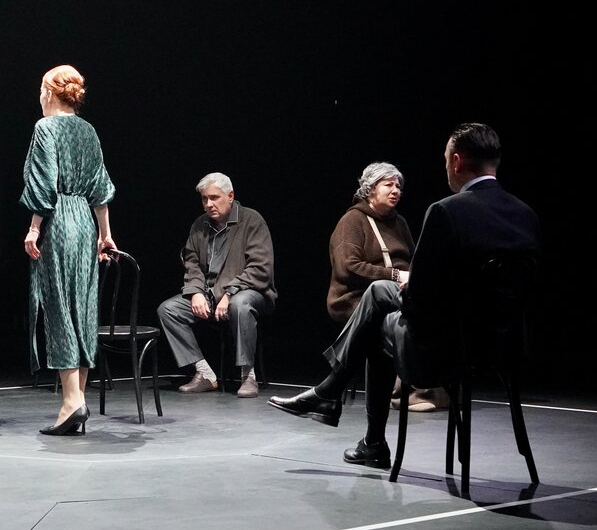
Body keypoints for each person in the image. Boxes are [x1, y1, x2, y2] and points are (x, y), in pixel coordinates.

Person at [267, 122, 540, 469]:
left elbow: (422, 299)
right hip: (505, 346)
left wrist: (410, 290)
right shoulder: (525, 215)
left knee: (379, 314)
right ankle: (341, 408)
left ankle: (349, 415)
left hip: (444, 348)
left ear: (456, 161)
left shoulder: (446, 211)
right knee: (381, 297)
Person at [21, 64, 117, 436]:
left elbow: (44, 184)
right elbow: (100, 187)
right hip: (86, 223)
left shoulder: (45, 128)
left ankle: (71, 401)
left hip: (59, 220)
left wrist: (34, 228)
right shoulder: (88, 130)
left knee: (60, 306)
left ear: (49, 92)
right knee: (83, 307)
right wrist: (105, 234)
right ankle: (78, 399)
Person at [326, 162, 445, 412]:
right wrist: (395, 275)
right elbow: (348, 267)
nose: (396, 190)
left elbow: (415, 260)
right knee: (397, 319)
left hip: (397, 291)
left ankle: (433, 386)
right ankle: (407, 392)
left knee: (432, 312)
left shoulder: (399, 222)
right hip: (356, 297)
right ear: (370, 189)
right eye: (388, 185)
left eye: (398, 186)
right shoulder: (352, 220)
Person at [156, 173, 276, 398]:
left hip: (250, 292)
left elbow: (260, 267)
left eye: (214, 197)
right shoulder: (199, 225)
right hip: (211, 295)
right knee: (169, 309)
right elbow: (192, 263)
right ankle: (204, 373)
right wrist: (195, 292)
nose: (208, 204)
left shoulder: (251, 220)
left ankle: (248, 375)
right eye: (204, 199)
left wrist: (230, 293)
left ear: (230, 196)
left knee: (240, 304)